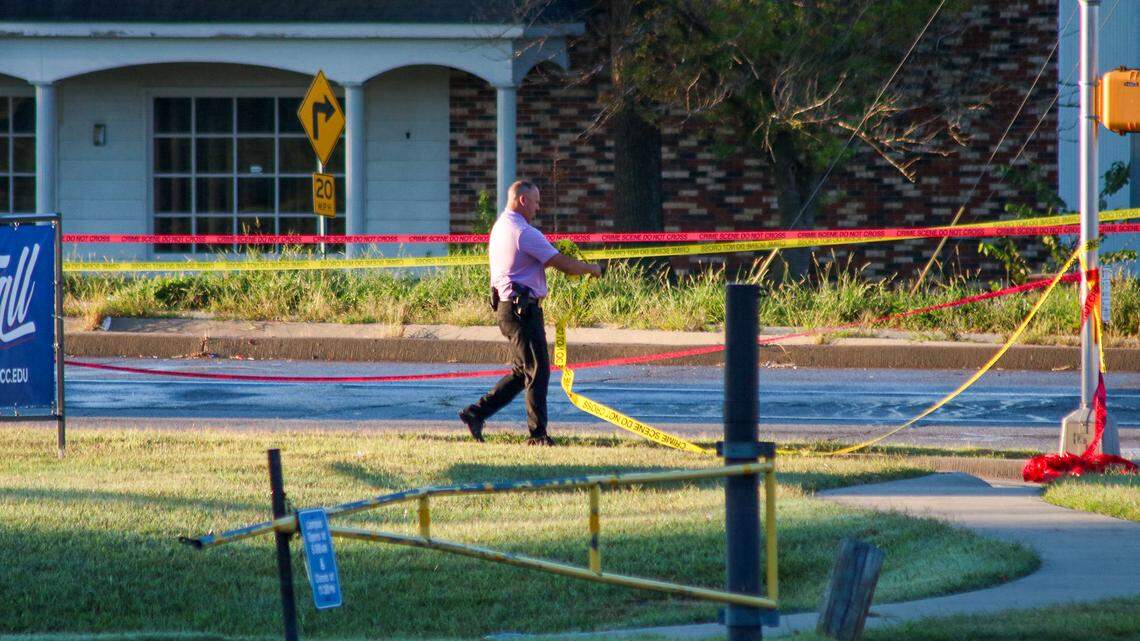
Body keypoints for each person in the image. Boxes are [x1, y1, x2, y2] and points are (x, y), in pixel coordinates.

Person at [459, 180, 603, 445]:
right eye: (536, 202)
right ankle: (537, 435)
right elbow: (565, 265)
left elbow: (524, 265)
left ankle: (475, 413)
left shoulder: (501, 227)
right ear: (523, 200)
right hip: (522, 311)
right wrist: (591, 268)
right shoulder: (523, 232)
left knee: (521, 372)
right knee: (538, 370)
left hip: (507, 308)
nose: (539, 207)